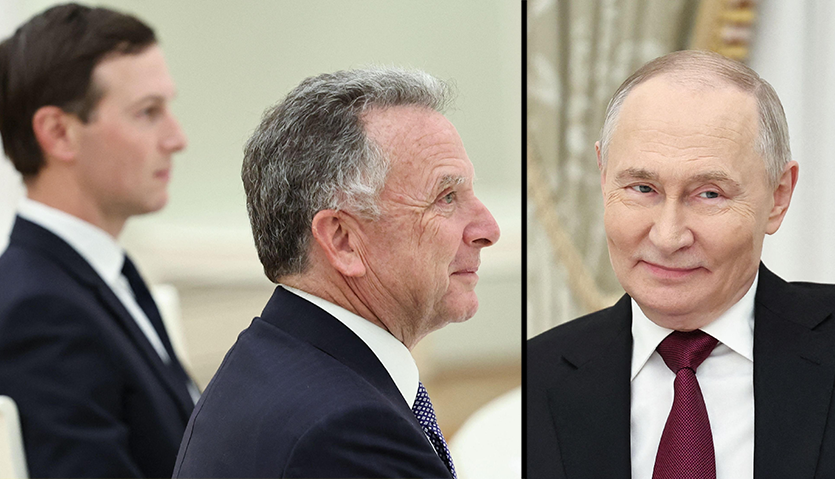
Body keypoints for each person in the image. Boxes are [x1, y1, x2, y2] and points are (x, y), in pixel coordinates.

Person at [527, 50, 835, 479]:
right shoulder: (537, 376)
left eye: (709, 194)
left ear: (778, 196)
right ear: (604, 178)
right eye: (643, 188)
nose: (668, 236)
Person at [172, 67, 500, 478]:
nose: (488, 229)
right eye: (446, 197)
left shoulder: (271, 364)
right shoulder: (347, 431)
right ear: (342, 239)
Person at [0, 4, 198, 477]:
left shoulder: (98, 275)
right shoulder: (41, 311)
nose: (177, 138)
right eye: (148, 112)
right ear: (58, 133)